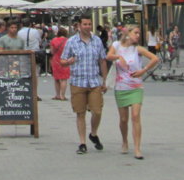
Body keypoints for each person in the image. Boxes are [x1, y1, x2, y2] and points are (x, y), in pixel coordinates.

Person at [106, 25, 158, 159]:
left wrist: (143, 70)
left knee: (135, 116)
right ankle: (124, 141)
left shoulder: (138, 49)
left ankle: (137, 148)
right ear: (128, 34)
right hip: (121, 87)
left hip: (136, 87)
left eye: (139, 33)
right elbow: (108, 56)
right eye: (136, 33)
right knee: (123, 119)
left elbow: (155, 58)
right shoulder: (117, 45)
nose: (138, 35)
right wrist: (119, 57)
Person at [60, 14, 108, 155]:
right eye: (85, 24)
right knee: (80, 113)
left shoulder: (97, 41)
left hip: (94, 82)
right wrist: (68, 62)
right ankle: (82, 143)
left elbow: (102, 60)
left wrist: (105, 80)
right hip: (78, 82)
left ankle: (93, 133)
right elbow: (62, 61)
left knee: (97, 111)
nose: (87, 27)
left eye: (89, 24)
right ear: (79, 26)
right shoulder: (71, 41)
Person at [51, 26, 71, 101]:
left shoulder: (54, 40)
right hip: (65, 60)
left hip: (56, 60)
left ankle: (57, 95)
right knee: (64, 79)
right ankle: (63, 95)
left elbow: (52, 52)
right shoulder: (68, 41)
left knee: (56, 78)